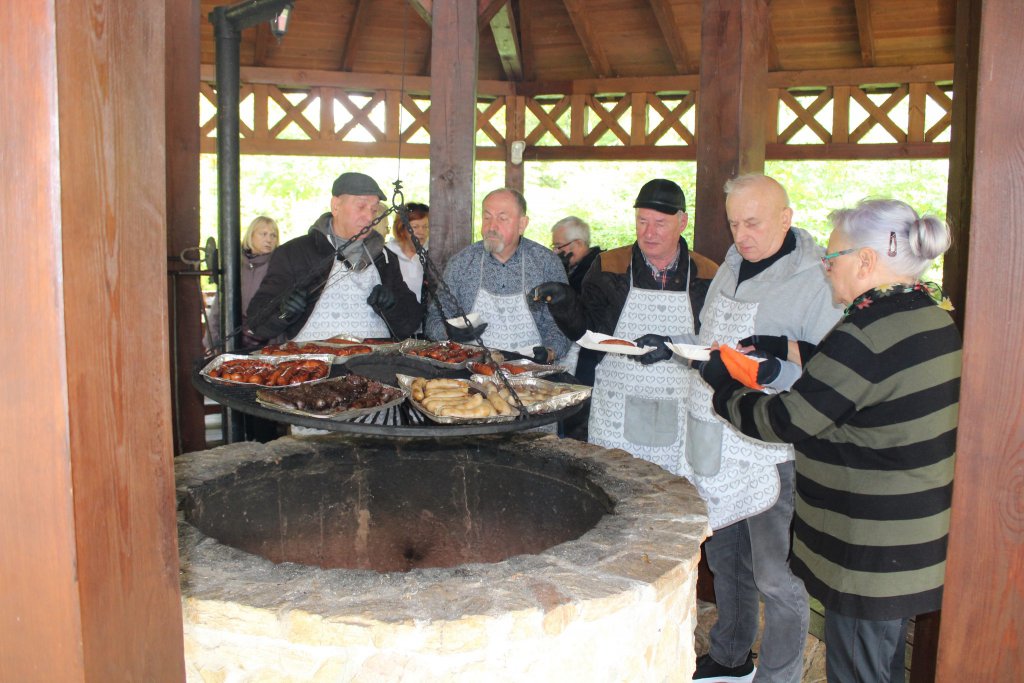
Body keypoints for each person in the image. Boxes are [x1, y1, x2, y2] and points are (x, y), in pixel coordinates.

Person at [697, 198, 960, 683]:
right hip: (907, 533)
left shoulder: (868, 330)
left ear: (866, 260)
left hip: (870, 543)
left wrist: (723, 385)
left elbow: (787, 420)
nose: (826, 267)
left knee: (858, 671)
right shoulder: (929, 314)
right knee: (877, 666)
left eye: (832, 257)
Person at [677, 174, 843, 683]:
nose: (741, 235)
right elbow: (715, 341)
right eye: (733, 223)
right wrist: (679, 348)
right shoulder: (729, 267)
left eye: (753, 222)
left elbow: (833, 372)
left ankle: (780, 676)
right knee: (726, 560)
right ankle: (730, 657)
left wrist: (772, 371)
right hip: (717, 436)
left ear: (786, 218)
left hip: (774, 447)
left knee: (776, 576)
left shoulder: (816, 279)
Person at [532, 179, 718, 454]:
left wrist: (672, 348)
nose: (649, 232)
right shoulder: (609, 266)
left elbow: (714, 342)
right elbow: (589, 333)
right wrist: (564, 303)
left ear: (682, 223)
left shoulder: (708, 273)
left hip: (681, 404)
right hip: (616, 405)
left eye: (660, 223)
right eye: (642, 221)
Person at [246, 172, 424, 342]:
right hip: (311, 365)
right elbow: (257, 324)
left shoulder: (384, 258)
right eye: (361, 207)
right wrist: (283, 312)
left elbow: (411, 324)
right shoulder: (294, 253)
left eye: (374, 209)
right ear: (336, 206)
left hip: (375, 363)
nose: (369, 216)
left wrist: (393, 307)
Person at [423, 188, 571, 363]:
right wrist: (447, 332)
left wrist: (549, 352)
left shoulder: (546, 263)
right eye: (487, 217)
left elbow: (564, 322)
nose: (491, 227)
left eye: (502, 218)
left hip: (531, 372)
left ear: (522, 224)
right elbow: (434, 317)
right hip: (472, 370)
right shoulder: (462, 263)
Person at [204, 215, 280, 352]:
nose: (269, 239)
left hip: (265, 338)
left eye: (273, 235)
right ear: (251, 236)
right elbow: (219, 304)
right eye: (263, 234)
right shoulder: (235, 264)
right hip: (233, 332)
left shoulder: (279, 265)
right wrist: (211, 342)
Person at [386, 202, 430, 303]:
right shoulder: (387, 254)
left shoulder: (432, 255)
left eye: (425, 226)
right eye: (415, 227)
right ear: (402, 230)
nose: (421, 231)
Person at [551, 216, 602, 295]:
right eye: (553, 246)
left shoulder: (596, 272)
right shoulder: (575, 267)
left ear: (579, 243)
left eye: (558, 246)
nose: (554, 251)